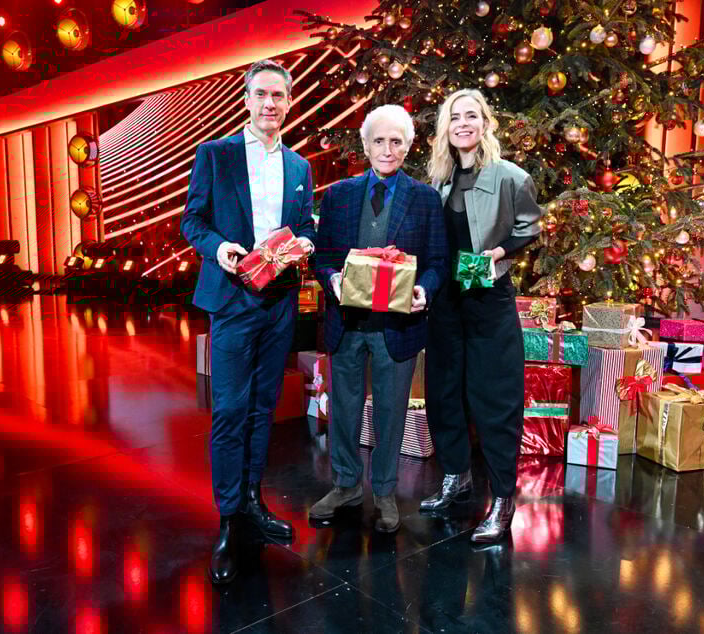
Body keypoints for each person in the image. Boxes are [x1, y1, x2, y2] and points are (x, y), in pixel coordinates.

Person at [180, 59, 316, 584]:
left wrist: (304, 241)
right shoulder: (215, 155)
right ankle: (229, 518)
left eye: (278, 96)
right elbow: (193, 220)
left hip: (279, 301)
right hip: (233, 300)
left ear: (288, 101)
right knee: (230, 411)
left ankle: (253, 506)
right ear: (246, 98)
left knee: (263, 409)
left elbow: (303, 226)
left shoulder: (300, 167)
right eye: (261, 94)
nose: (269, 104)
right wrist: (220, 250)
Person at [310, 104, 448, 533]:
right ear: (365, 145)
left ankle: (385, 492)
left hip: (399, 327)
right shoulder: (338, 196)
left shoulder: (424, 199)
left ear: (409, 147)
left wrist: (425, 287)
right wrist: (331, 278)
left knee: (391, 412)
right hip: (346, 325)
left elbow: (439, 260)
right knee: (345, 411)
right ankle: (347, 484)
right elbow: (324, 256)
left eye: (397, 142)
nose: (387, 150)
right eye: (379, 141)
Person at [419, 89, 542, 542]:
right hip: (448, 299)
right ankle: (457, 478)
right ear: (446, 129)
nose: (463, 124)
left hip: (488, 296)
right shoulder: (441, 179)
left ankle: (503, 498)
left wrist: (500, 252)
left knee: (494, 399)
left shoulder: (510, 176)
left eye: (472, 116)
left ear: (485, 123)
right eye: (455, 117)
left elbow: (530, 228)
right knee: (444, 393)